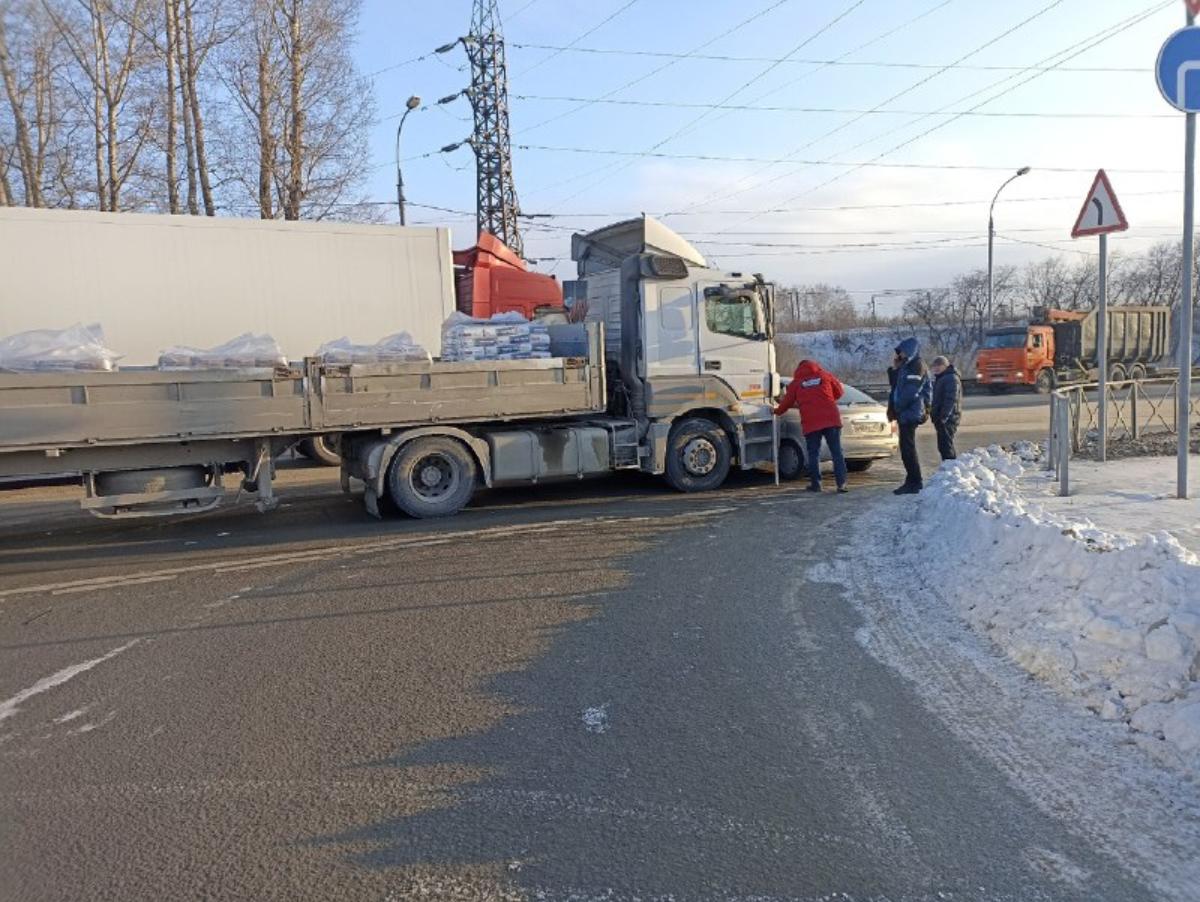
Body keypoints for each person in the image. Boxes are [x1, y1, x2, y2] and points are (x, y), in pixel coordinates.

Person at [773, 359, 849, 494]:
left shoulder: (796, 383)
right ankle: (841, 484)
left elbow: (786, 403)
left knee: (814, 454)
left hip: (812, 422)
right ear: (815, 366)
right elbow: (839, 392)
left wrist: (776, 411)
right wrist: (827, 399)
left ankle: (816, 484)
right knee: (837, 452)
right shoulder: (825, 375)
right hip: (831, 419)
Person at [889, 337, 933, 495]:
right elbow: (897, 387)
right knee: (906, 448)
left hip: (910, 412)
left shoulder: (916, 365)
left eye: (900, 352)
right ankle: (912, 479)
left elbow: (910, 392)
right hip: (907, 412)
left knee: (908, 448)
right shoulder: (907, 366)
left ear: (908, 351)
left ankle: (915, 482)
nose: (898, 355)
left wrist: (898, 406)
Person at [930, 355, 962, 462]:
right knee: (943, 445)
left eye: (940, 365)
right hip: (941, 417)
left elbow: (951, 399)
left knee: (946, 446)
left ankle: (951, 468)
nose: (937, 368)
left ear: (946, 366)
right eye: (935, 366)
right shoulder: (941, 378)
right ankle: (948, 468)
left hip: (948, 418)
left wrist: (944, 416)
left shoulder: (951, 378)